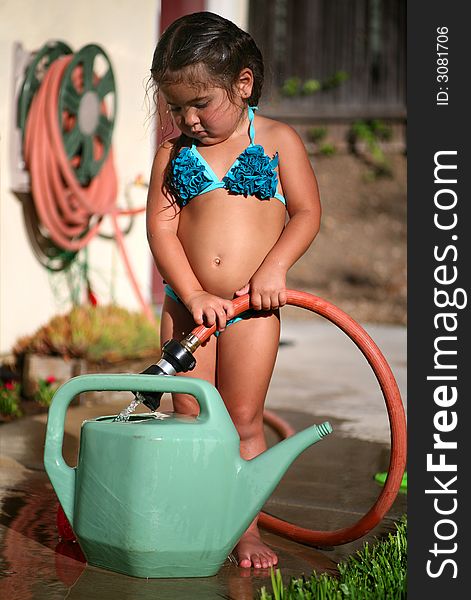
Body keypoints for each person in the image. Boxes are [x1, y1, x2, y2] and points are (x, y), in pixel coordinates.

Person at [146, 11, 321, 569]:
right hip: (188, 309)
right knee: (190, 418)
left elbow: (306, 213)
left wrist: (274, 270)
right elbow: (161, 227)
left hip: (252, 310)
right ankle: (195, 517)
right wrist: (192, 292)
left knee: (244, 422)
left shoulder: (276, 141)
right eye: (176, 107)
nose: (188, 119)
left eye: (200, 104)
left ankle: (244, 530)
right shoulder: (173, 154)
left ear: (242, 85)